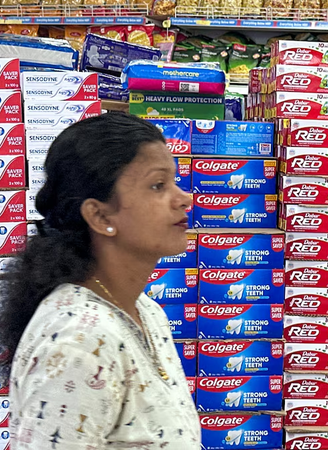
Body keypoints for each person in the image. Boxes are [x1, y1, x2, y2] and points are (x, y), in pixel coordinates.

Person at [0, 113, 200, 449]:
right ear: (100, 215)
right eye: (158, 185)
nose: (184, 198)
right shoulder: (78, 341)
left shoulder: (146, 312)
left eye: (174, 182)